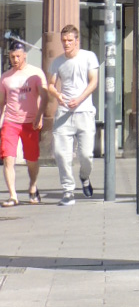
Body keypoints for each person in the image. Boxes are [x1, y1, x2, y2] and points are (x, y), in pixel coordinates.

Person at [49, 24, 99, 206]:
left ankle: (84, 177)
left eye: (70, 40)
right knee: (61, 154)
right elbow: (51, 85)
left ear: (77, 40)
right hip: (63, 114)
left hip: (84, 111)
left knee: (86, 155)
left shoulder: (88, 57)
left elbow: (93, 82)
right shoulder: (57, 61)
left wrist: (79, 99)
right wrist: (57, 95)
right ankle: (68, 191)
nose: (66, 44)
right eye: (63, 41)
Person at [1, 35, 46, 206]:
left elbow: (44, 97)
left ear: (24, 55)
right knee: (8, 158)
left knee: (32, 159)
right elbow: (1, 102)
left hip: (30, 122)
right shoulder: (5, 77)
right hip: (10, 122)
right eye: (12, 56)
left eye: (18, 56)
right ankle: (13, 195)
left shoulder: (35, 73)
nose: (15, 59)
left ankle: (33, 186)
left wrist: (40, 116)